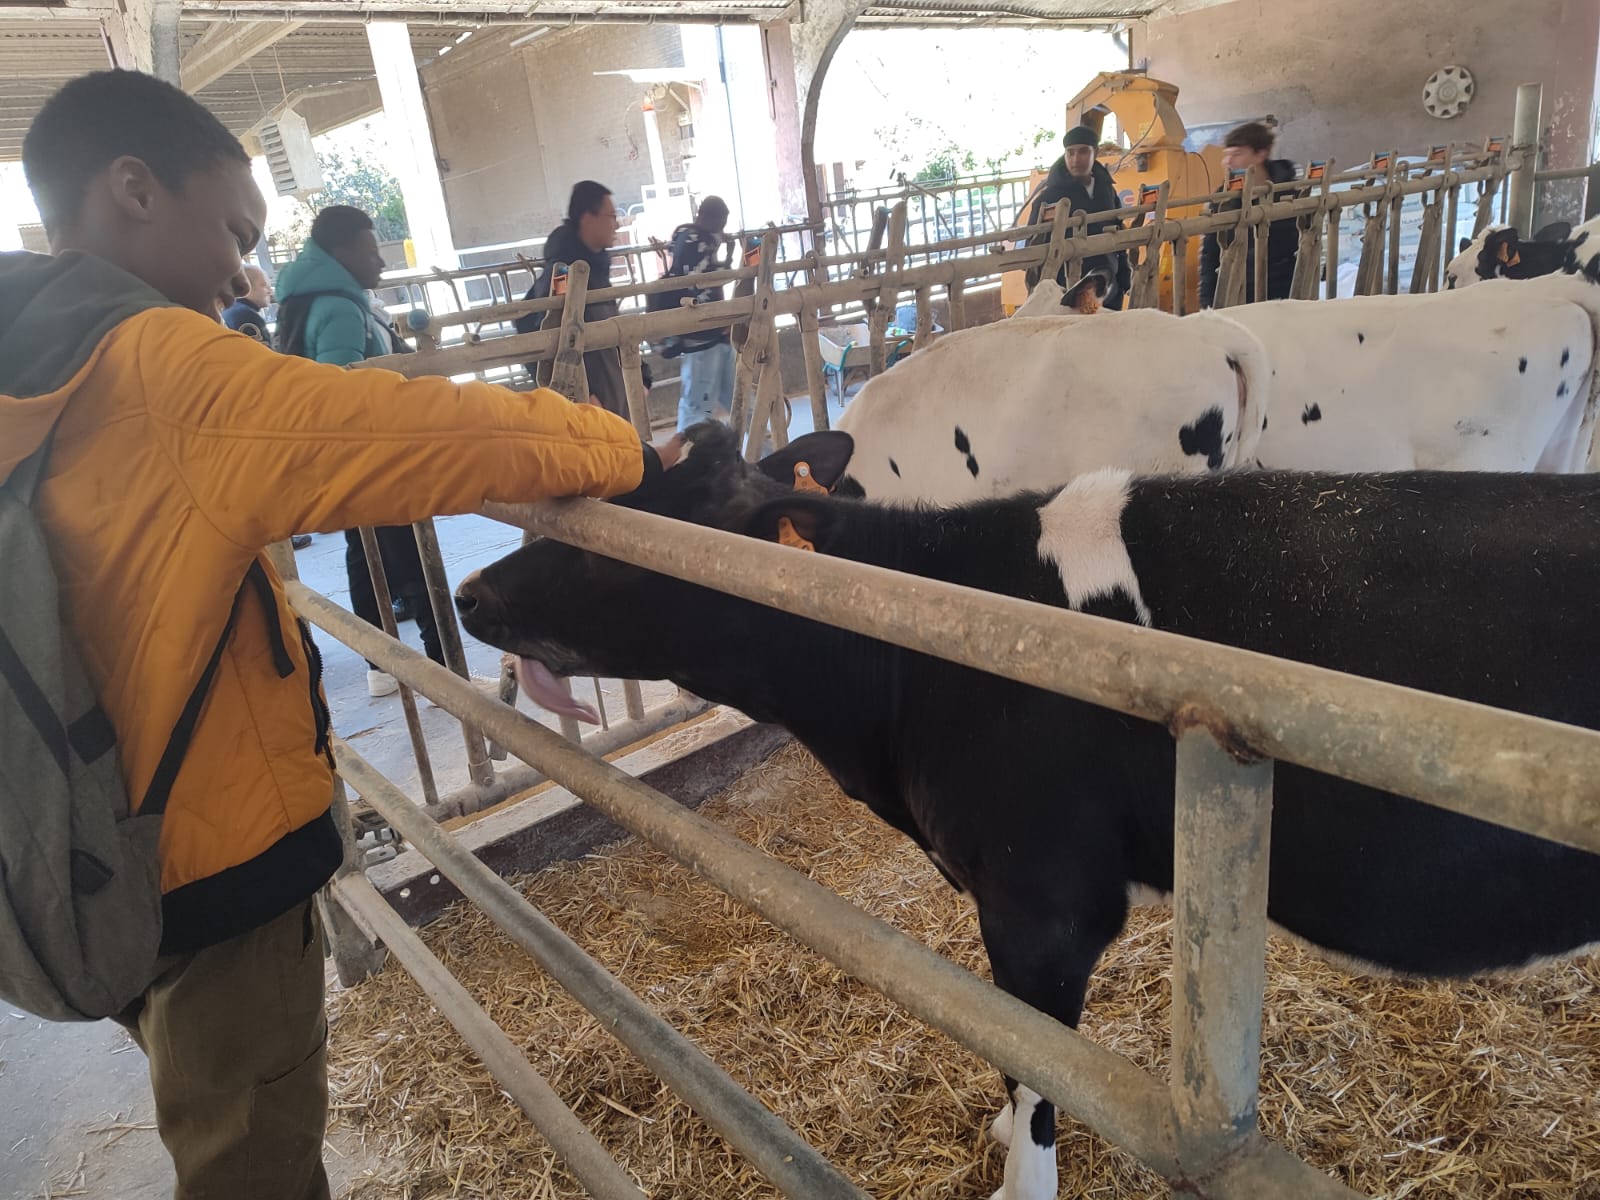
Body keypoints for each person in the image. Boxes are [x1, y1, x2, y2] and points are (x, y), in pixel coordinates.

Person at [4, 68, 668, 1200]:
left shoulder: (27, 356)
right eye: (233, 231)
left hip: (80, 853)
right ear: (135, 190)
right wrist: (621, 450)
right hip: (215, 875)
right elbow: (413, 433)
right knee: (251, 1170)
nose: (241, 272)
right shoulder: (160, 371)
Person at [275, 205, 437, 696]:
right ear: (341, 252)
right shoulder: (341, 309)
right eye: (371, 251)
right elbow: (344, 398)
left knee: (367, 558)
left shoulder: (314, 299)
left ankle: (381, 666)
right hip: (373, 460)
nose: (380, 262)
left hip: (346, 462)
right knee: (414, 560)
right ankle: (445, 668)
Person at [514, 180, 630, 419]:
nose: (617, 224)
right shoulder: (563, 273)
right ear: (588, 218)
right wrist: (582, 393)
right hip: (589, 407)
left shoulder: (595, 267)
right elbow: (547, 327)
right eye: (611, 216)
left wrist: (643, 376)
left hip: (612, 395)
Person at [1025, 125, 1131, 310]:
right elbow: (1033, 244)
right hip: (1066, 290)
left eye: (1083, 151)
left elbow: (1118, 233)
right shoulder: (1049, 197)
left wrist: (1124, 277)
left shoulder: (1107, 191)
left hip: (1108, 288)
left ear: (1095, 152)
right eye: (1070, 152)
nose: (1076, 159)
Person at [653, 195, 734, 431]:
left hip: (714, 332)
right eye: (720, 224)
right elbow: (705, 281)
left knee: (737, 398)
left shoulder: (691, 239)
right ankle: (688, 450)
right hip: (700, 334)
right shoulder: (696, 241)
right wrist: (727, 255)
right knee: (696, 407)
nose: (721, 230)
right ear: (708, 217)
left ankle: (765, 446)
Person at [1198, 121, 1299, 308]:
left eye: (1237, 154)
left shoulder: (1287, 193)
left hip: (1282, 294)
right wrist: (1207, 302)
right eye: (1226, 155)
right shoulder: (1223, 198)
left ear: (1260, 154)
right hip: (1236, 294)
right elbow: (1210, 253)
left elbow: (1295, 245)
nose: (1228, 162)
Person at [221, 263, 272, 342]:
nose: (269, 291)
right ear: (247, 287)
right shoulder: (246, 315)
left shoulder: (231, 310)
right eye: (264, 285)